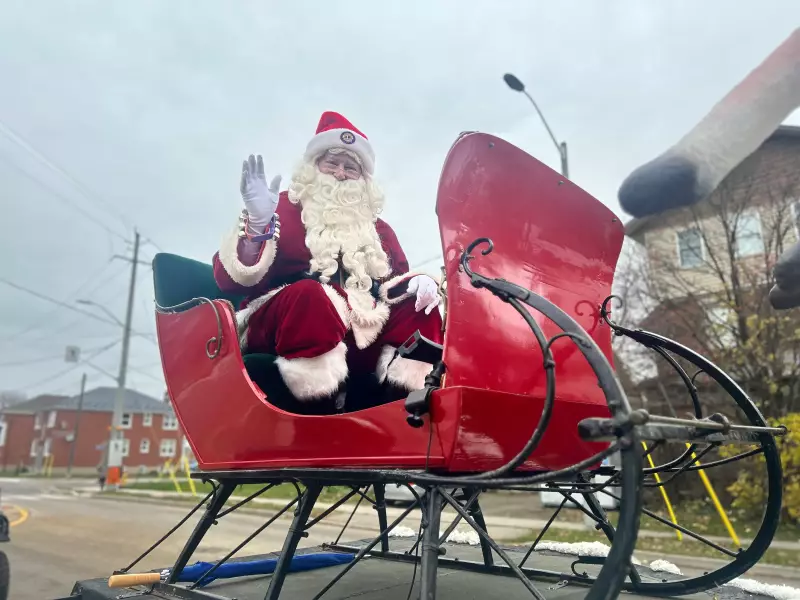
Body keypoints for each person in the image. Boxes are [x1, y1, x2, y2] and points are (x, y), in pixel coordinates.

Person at [213, 111, 443, 413]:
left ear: (363, 179)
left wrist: (417, 283)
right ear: (313, 167)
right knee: (313, 296)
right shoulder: (280, 208)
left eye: (351, 167)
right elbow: (228, 279)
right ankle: (316, 405)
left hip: (358, 328)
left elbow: (393, 284)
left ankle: (400, 404)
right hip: (286, 320)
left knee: (421, 307)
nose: (340, 173)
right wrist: (257, 227)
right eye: (332, 163)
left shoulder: (380, 231)